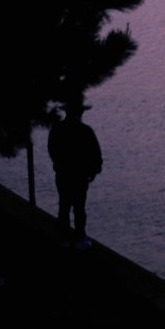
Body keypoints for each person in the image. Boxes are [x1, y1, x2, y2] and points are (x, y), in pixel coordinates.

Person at [47, 100, 103, 246]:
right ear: (81, 113)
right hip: (80, 176)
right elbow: (96, 155)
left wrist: (58, 165)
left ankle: (63, 236)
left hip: (63, 174)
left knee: (64, 205)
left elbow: (51, 150)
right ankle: (79, 237)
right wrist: (93, 171)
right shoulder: (86, 131)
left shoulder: (57, 129)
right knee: (79, 207)